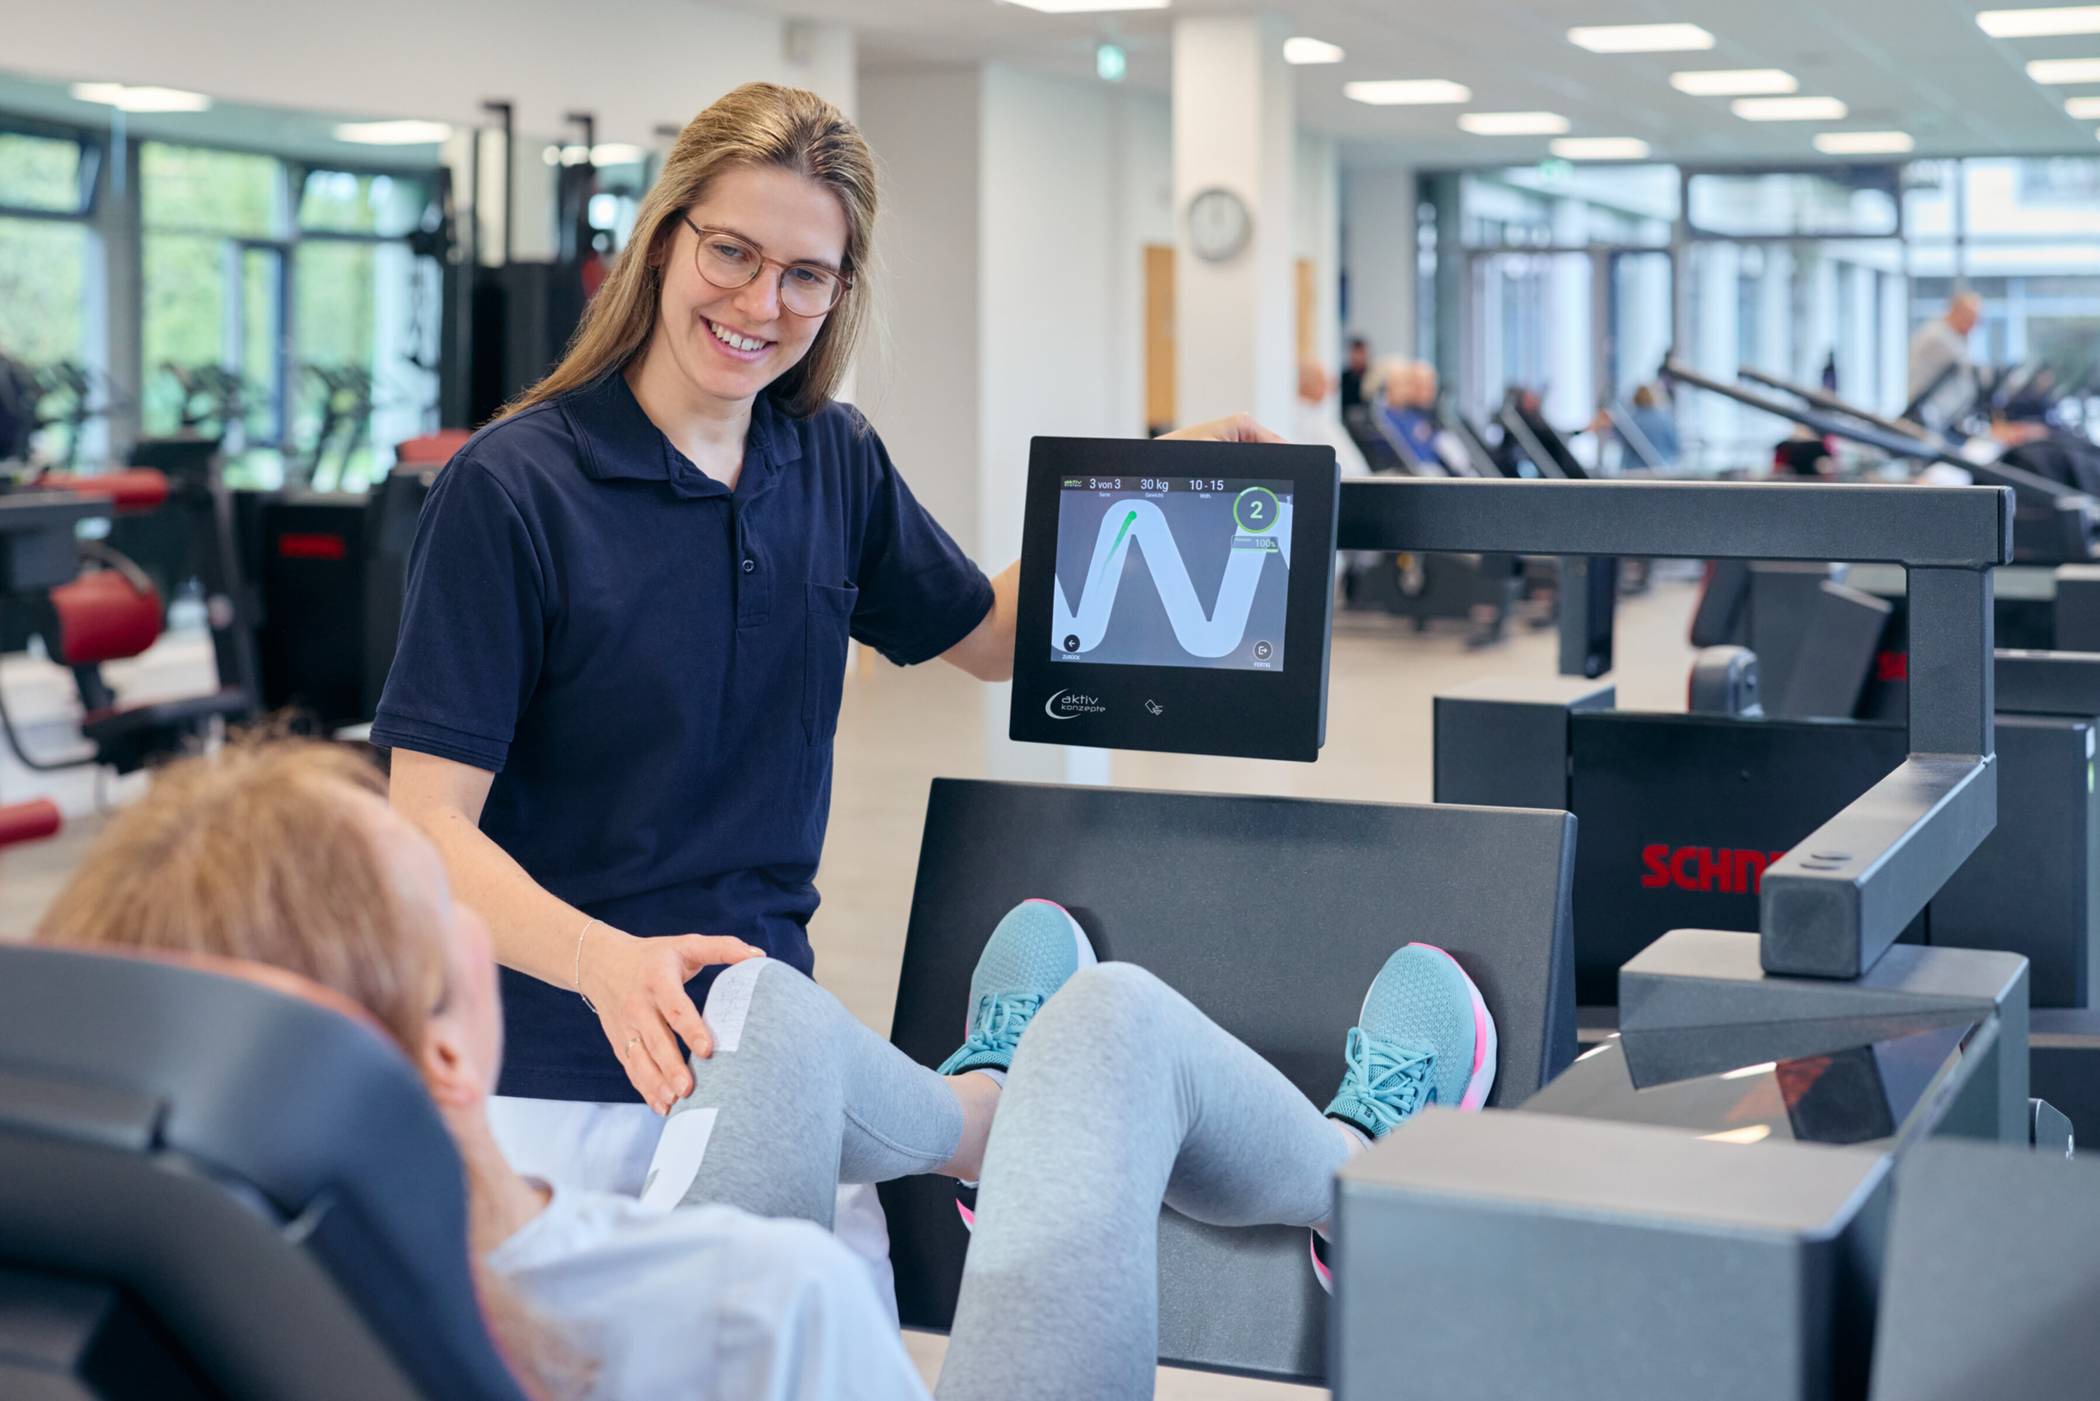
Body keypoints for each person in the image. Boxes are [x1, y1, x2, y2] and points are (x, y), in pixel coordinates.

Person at [370, 81, 1283, 1251]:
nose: (763, 302)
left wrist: (1150, 482)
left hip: (768, 1043)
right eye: (732, 254)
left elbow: (992, 637)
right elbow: (426, 830)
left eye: (808, 275)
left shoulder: (830, 461)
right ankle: (976, 1115)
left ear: (841, 290)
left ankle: (981, 1114)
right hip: (559, 1080)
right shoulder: (511, 489)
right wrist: (603, 965)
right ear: (662, 246)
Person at [35, 737, 1498, 1400]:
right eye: (453, 920)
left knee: (769, 1008)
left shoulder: (188, 1312)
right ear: (441, 1045)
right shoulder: (757, 1309)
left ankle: (978, 1122)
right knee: (1111, 1024)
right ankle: (1373, 1183)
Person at [1908, 292, 1981, 432]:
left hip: (1942, 418)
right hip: (1926, 416)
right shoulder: (1938, 338)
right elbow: (1970, 370)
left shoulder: (1954, 337)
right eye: (1971, 318)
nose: (1974, 325)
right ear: (1957, 312)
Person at [1294, 360, 1369, 478]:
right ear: (1306, 382)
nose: (1328, 386)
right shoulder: (1302, 419)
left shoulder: (1318, 416)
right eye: (1321, 380)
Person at [1338, 336, 1371, 410]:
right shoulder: (1344, 378)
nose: (1358, 357)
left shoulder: (1372, 377)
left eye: (1361, 353)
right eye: (1356, 352)